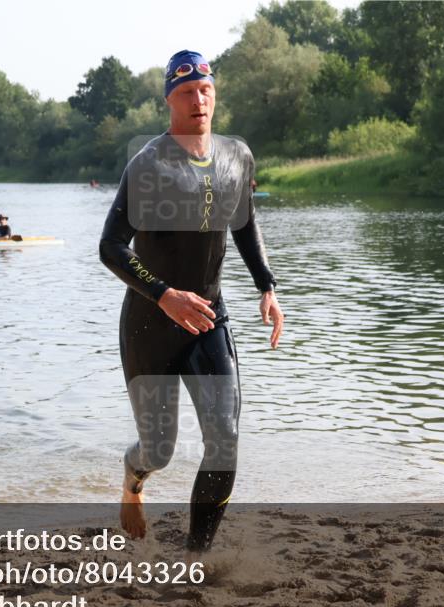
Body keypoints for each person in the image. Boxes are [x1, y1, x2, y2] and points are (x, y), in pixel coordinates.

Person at [99, 49, 284, 553]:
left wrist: (265, 286)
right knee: (158, 450)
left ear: (214, 93)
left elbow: (243, 220)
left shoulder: (236, 155)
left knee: (224, 438)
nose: (198, 100)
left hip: (208, 317)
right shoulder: (149, 164)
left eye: (205, 90)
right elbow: (110, 246)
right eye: (185, 93)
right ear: (169, 101)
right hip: (149, 324)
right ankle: (132, 480)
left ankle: (196, 554)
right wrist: (163, 295)